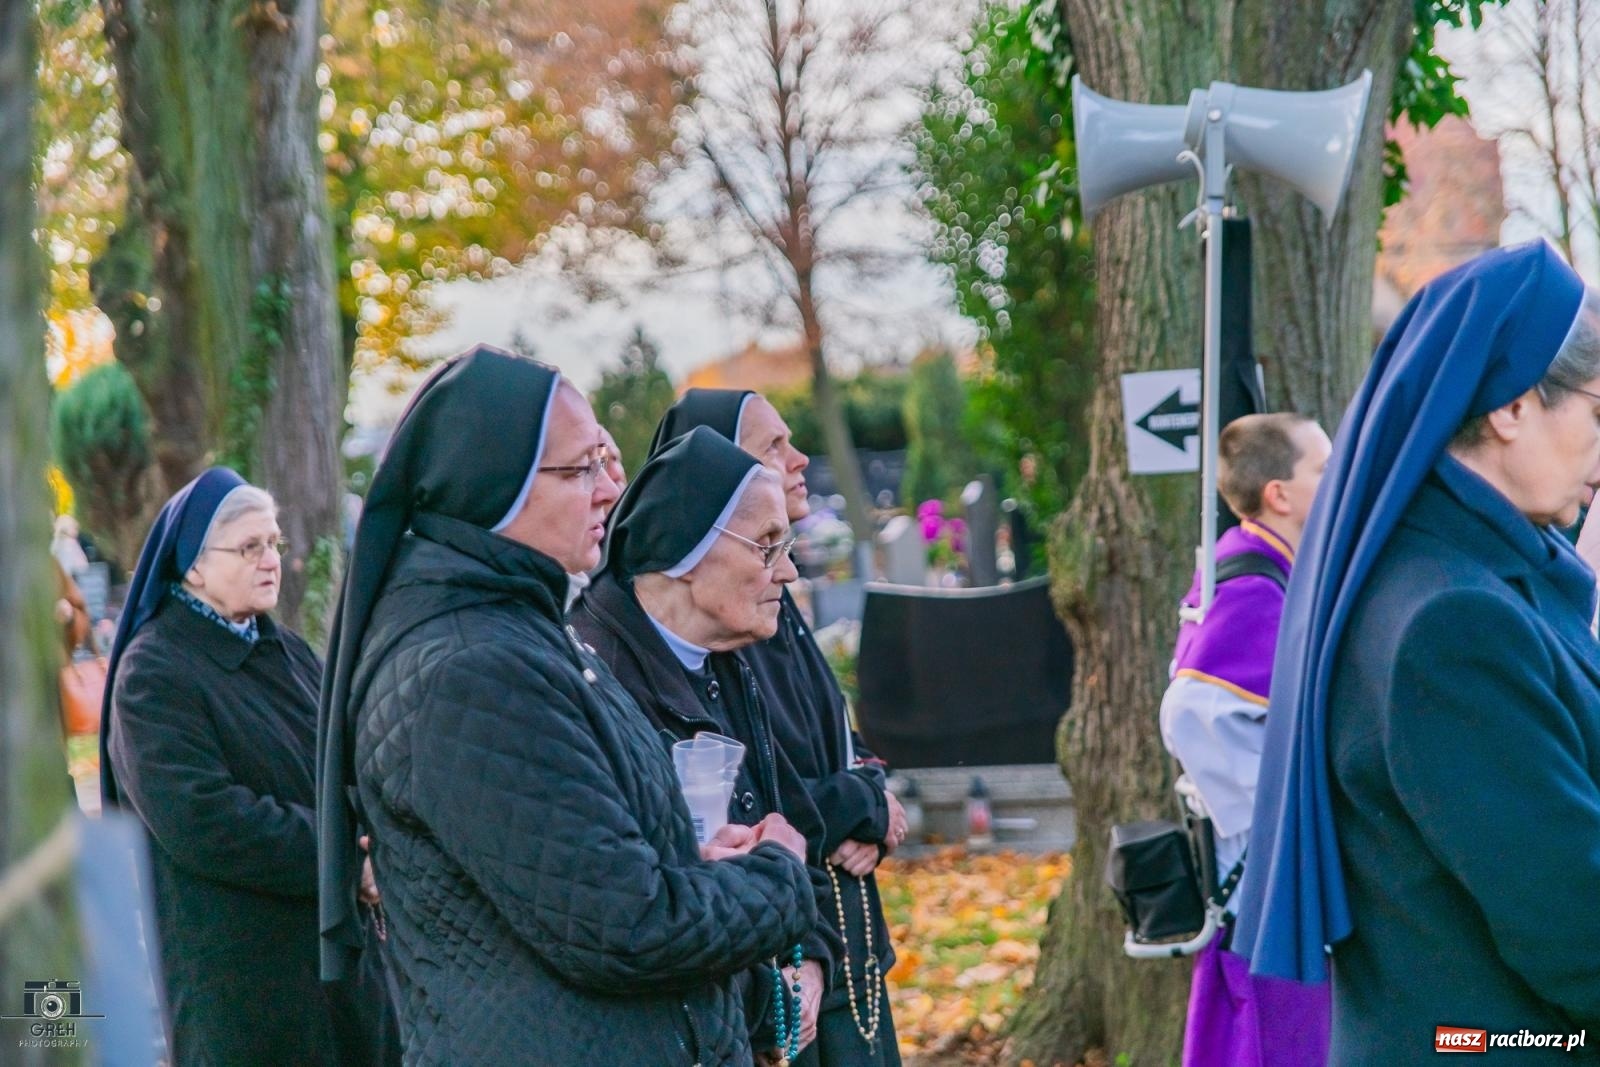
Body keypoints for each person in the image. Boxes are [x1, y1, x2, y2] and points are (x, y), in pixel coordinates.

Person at [316, 346, 818, 1065]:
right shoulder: (470, 673)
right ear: (495, 484)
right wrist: (777, 873)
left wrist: (692, 860)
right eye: (581, 468)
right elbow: (626, 928)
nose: (611, 489)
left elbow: (579, 873)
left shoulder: (522, 629)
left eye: (608, 463)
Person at [1232, 241, 1600, 1062]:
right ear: (1513, 406)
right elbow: (1569, 915)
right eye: (1599, 411)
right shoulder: (1453, 621)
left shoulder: (1459, 573)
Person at [101, 467, 397, 1066]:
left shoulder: (284, 648)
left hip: (337, 961)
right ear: (193, 566)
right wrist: (344, 857)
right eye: (250, 546)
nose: (271, 560)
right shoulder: (153, 675)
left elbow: (345, 764)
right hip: (245, 983)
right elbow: (204, 821)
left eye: (274, 544)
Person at [650, 389, 906, 1066]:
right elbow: (759, 795)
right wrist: (862, 804)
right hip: (791, 955)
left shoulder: (774, 595)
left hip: (845, 936)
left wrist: (870, 788)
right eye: (772, 446)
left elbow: (829, 731)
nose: (797, 460)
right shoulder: (727, 613)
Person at [574, 426, 842, 1062]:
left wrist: (812, 967)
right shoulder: (597, 675)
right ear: (686, 552)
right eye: (767, 546)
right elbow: (629, 908)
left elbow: (794, 831)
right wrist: (762, 999)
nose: (790, 570)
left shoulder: (727, 655)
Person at [1158, 412, 1332, 1067]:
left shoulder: (1261, 564)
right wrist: (1286, 809)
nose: (1338, 476)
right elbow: (1190, 710)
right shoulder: (1253, 585)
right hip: (1268, 877)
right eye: (1323, 466)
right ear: (1279, 494)